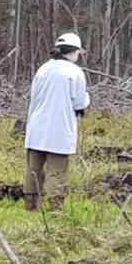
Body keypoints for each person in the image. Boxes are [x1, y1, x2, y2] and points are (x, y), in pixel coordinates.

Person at [22, 32, 90, 209]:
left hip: (36, 128)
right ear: (73, 52)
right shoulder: (75, 72)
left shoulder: (43, 69)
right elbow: (79, 103)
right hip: (59, 130)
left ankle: (31, 206)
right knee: (57, 171)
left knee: (33, 169)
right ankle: (55, 207)